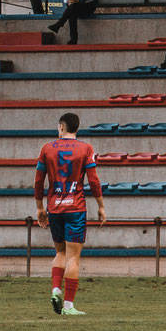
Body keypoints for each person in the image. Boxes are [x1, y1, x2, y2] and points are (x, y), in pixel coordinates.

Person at [33, 112, 105, 317]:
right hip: (76, 207)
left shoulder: (47, 148)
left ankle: (56, 289)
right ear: (77, 128)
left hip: (54, 207)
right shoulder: (86, 148)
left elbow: (38, 181)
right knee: (74, 256)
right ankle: (68, 305)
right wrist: (101, 206)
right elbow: (93, 181)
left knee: (60, 253)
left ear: (61, 127)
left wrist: (40, 208)